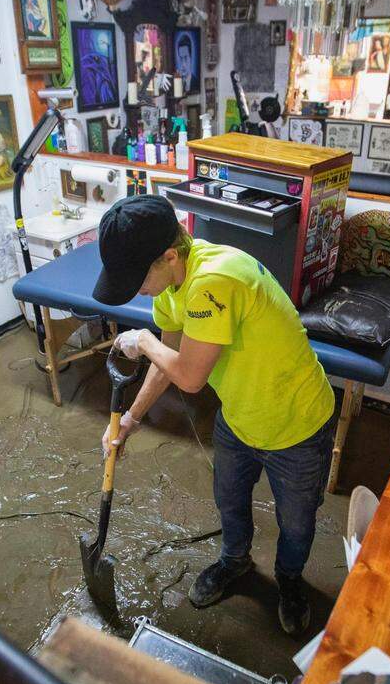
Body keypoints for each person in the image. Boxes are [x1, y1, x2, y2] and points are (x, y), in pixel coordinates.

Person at [93, 196, 335, 634]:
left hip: (297, 422)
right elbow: (172, 359)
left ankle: (290, 579)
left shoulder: (214, 279)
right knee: (229, 500)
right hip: (241, 416)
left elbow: (188, 377)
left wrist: (143, 342)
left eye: (137, 277)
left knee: (296, 522)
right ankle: (235, 561)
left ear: (170, 255)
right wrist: (129, 420)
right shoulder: (171, 285)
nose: (136, 289)